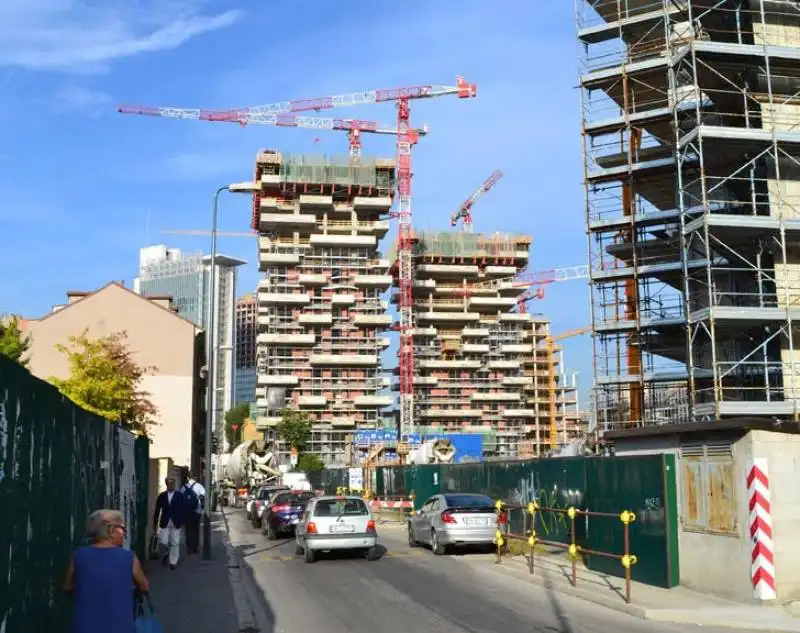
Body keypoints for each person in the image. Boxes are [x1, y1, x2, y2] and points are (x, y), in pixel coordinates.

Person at [64, 509, 150, 633]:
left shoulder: (78, 556)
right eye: (122, 529)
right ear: (111, 531)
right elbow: (144, 586)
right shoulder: (129, 557)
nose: (124, 534)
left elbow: (67, 587)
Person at [152, 477, 186, 569]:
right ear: (166, 485)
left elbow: (183, 510)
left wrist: (182, 522)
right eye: (168, 484)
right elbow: (157, 510)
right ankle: (166, 553)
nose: (170, 486)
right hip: (165, 521)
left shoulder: (179, 496)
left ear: (174, 485)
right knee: (164, 541)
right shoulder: (162, 496)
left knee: (175, 542)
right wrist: (155, 524)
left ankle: (173, 562)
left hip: (176, 521)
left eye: (172, 484)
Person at [180, 468, 206, 555]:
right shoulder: (199, 486)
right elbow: (203, 497)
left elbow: (181, 499)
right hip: (196, 511)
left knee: (188, 529)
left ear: (187, 478)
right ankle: (195, 546)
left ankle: (189, 547)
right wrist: (202, 508)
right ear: (195, 477)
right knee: (196, 529)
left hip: (186, 512)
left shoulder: (183, 487)